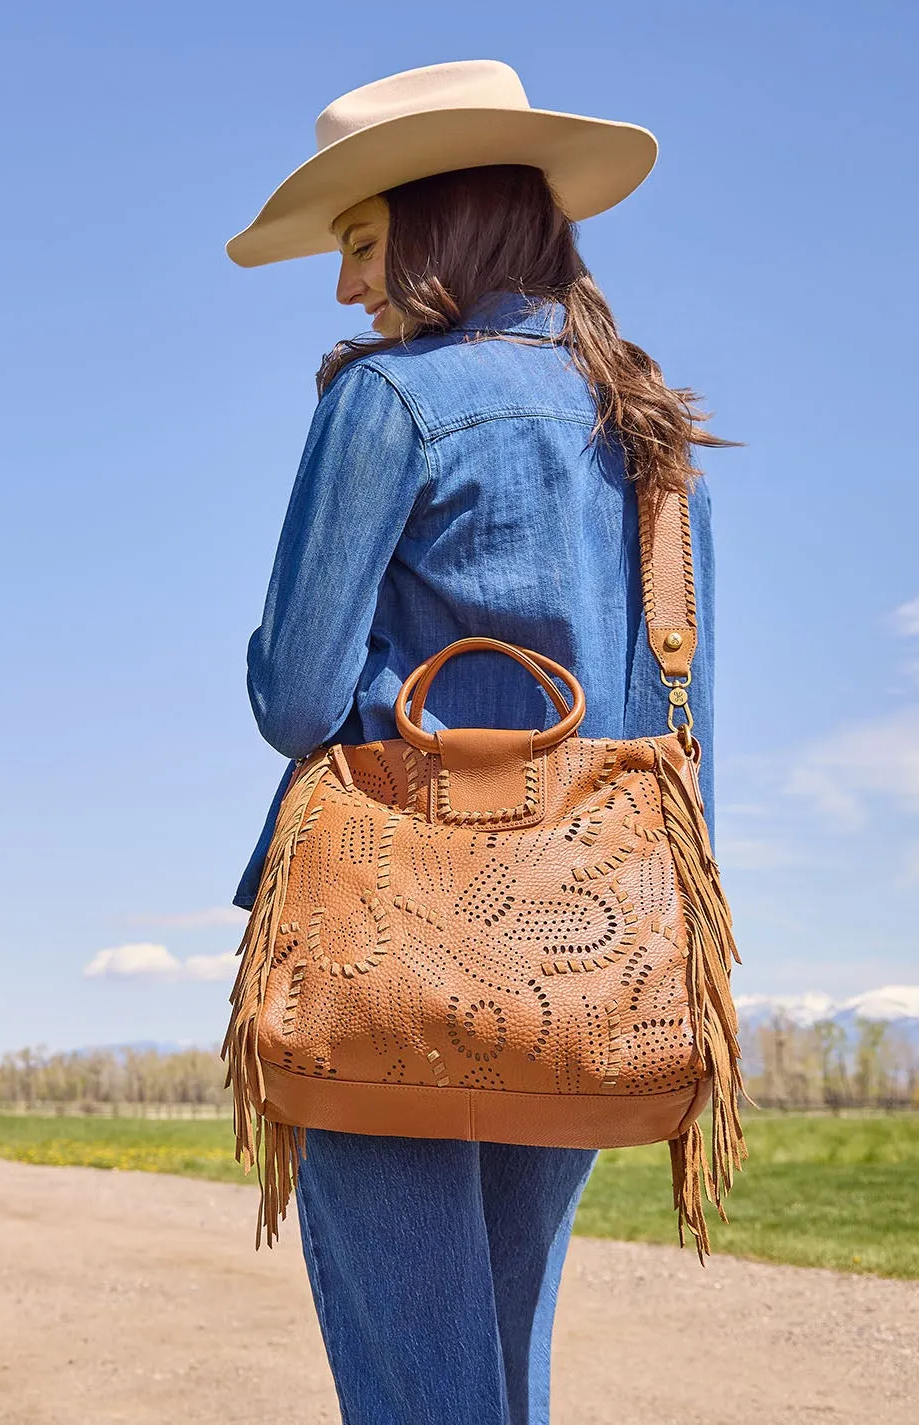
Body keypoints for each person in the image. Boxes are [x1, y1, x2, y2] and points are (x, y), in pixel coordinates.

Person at [226, 61, 731, 1425]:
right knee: (503, 1371)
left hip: (392, 940)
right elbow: (675, 717)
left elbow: (296, 694)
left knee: (416, 1383)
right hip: (581, 952)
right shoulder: (649, 429)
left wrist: (272, 643)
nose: (344, 289)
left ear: (437, 216)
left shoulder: (388, 400)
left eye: (357, 241)